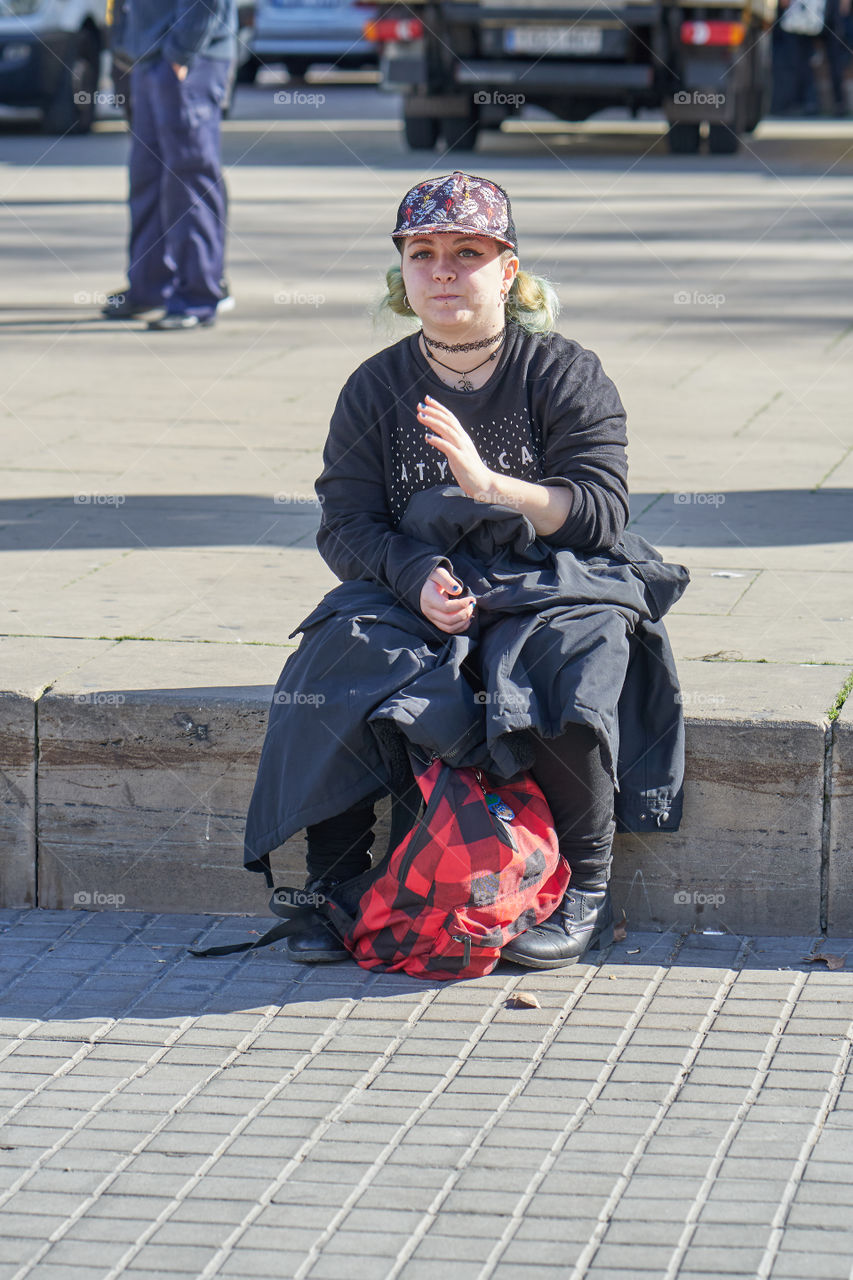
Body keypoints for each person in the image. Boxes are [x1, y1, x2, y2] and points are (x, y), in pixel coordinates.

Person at [242, 170, 687, 971]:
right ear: (402, 272)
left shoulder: (562, 371)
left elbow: (600, 510)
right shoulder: (375, 386)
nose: (442, 270)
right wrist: (415, 577)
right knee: (339, 652)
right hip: (421, 575)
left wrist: (493, 488)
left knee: (565, 656)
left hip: (553, 571)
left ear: (507, 270)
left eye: (466, 252)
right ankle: (329, 887)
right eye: (423, 253)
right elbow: (345, 523)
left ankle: (585, 888)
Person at [101, 0, 237, 330]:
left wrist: (181, 52)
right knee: (147, 176)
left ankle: (198, 295)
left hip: (185, 58)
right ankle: (149, 286)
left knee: (188, 177)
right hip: (149, 57)